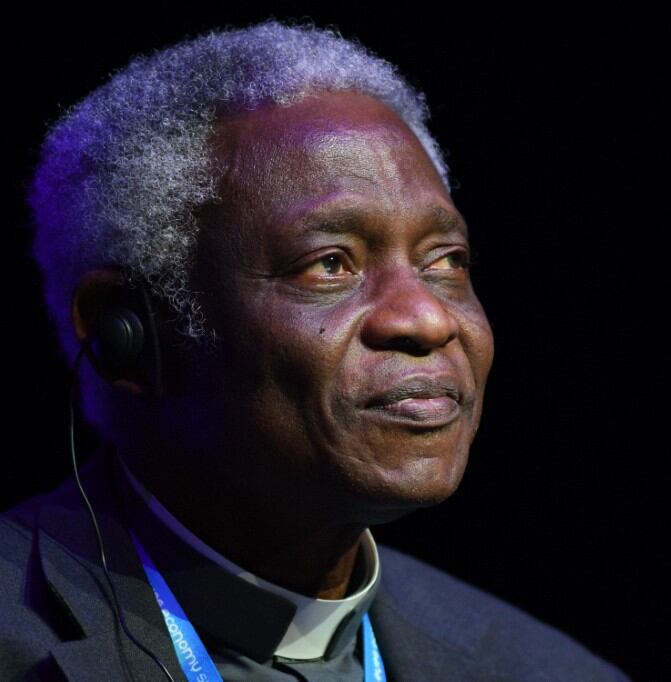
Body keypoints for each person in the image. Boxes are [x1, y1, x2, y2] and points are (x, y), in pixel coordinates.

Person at [0, 20, 629, 681]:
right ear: (127, 337)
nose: (427, 317)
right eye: (330, 264)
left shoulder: (547, 670)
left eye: (446, 260)